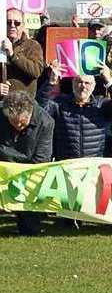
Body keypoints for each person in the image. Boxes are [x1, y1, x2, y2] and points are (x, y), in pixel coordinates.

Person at [37, 60, 112, 159]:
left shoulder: (101, 105)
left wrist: (109, 81)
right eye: (79, 81)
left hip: (95, 166)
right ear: (72, 83)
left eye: (87, 83)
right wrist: (51, 82)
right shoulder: (60, 103)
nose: (83, 86)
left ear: (94, 86)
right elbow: (39, 110)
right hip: (67, 165)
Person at [0, 91, 54, 236]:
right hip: (2, 165)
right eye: (13, 121)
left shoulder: (46, 122)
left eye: (22, 122)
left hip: (30, 171)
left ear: (30, 114)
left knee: (31, 229)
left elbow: (42, 159)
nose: (18, 125)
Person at [1, 6, 45, 97]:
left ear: (23, 25)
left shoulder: (32, 45)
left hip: (23, 105)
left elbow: (36, 71)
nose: (12, 26)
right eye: (8, 22)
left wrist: (13, 55)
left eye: (17, 23)